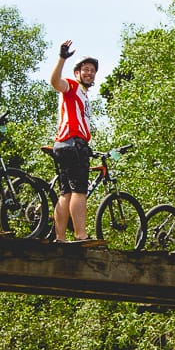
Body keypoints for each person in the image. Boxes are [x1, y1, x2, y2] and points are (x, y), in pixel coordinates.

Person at [48, 40, 97, 240]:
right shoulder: (73, 86)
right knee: (79, 191)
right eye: (85, 69)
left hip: (64, 144)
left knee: (65, 193)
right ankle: (81, 235)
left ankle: (60, 238)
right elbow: (54, 82)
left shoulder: (83, 95)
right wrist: (62, 58)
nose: (89, 73)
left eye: (92, 70)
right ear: (77, 73)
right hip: (73, 143)